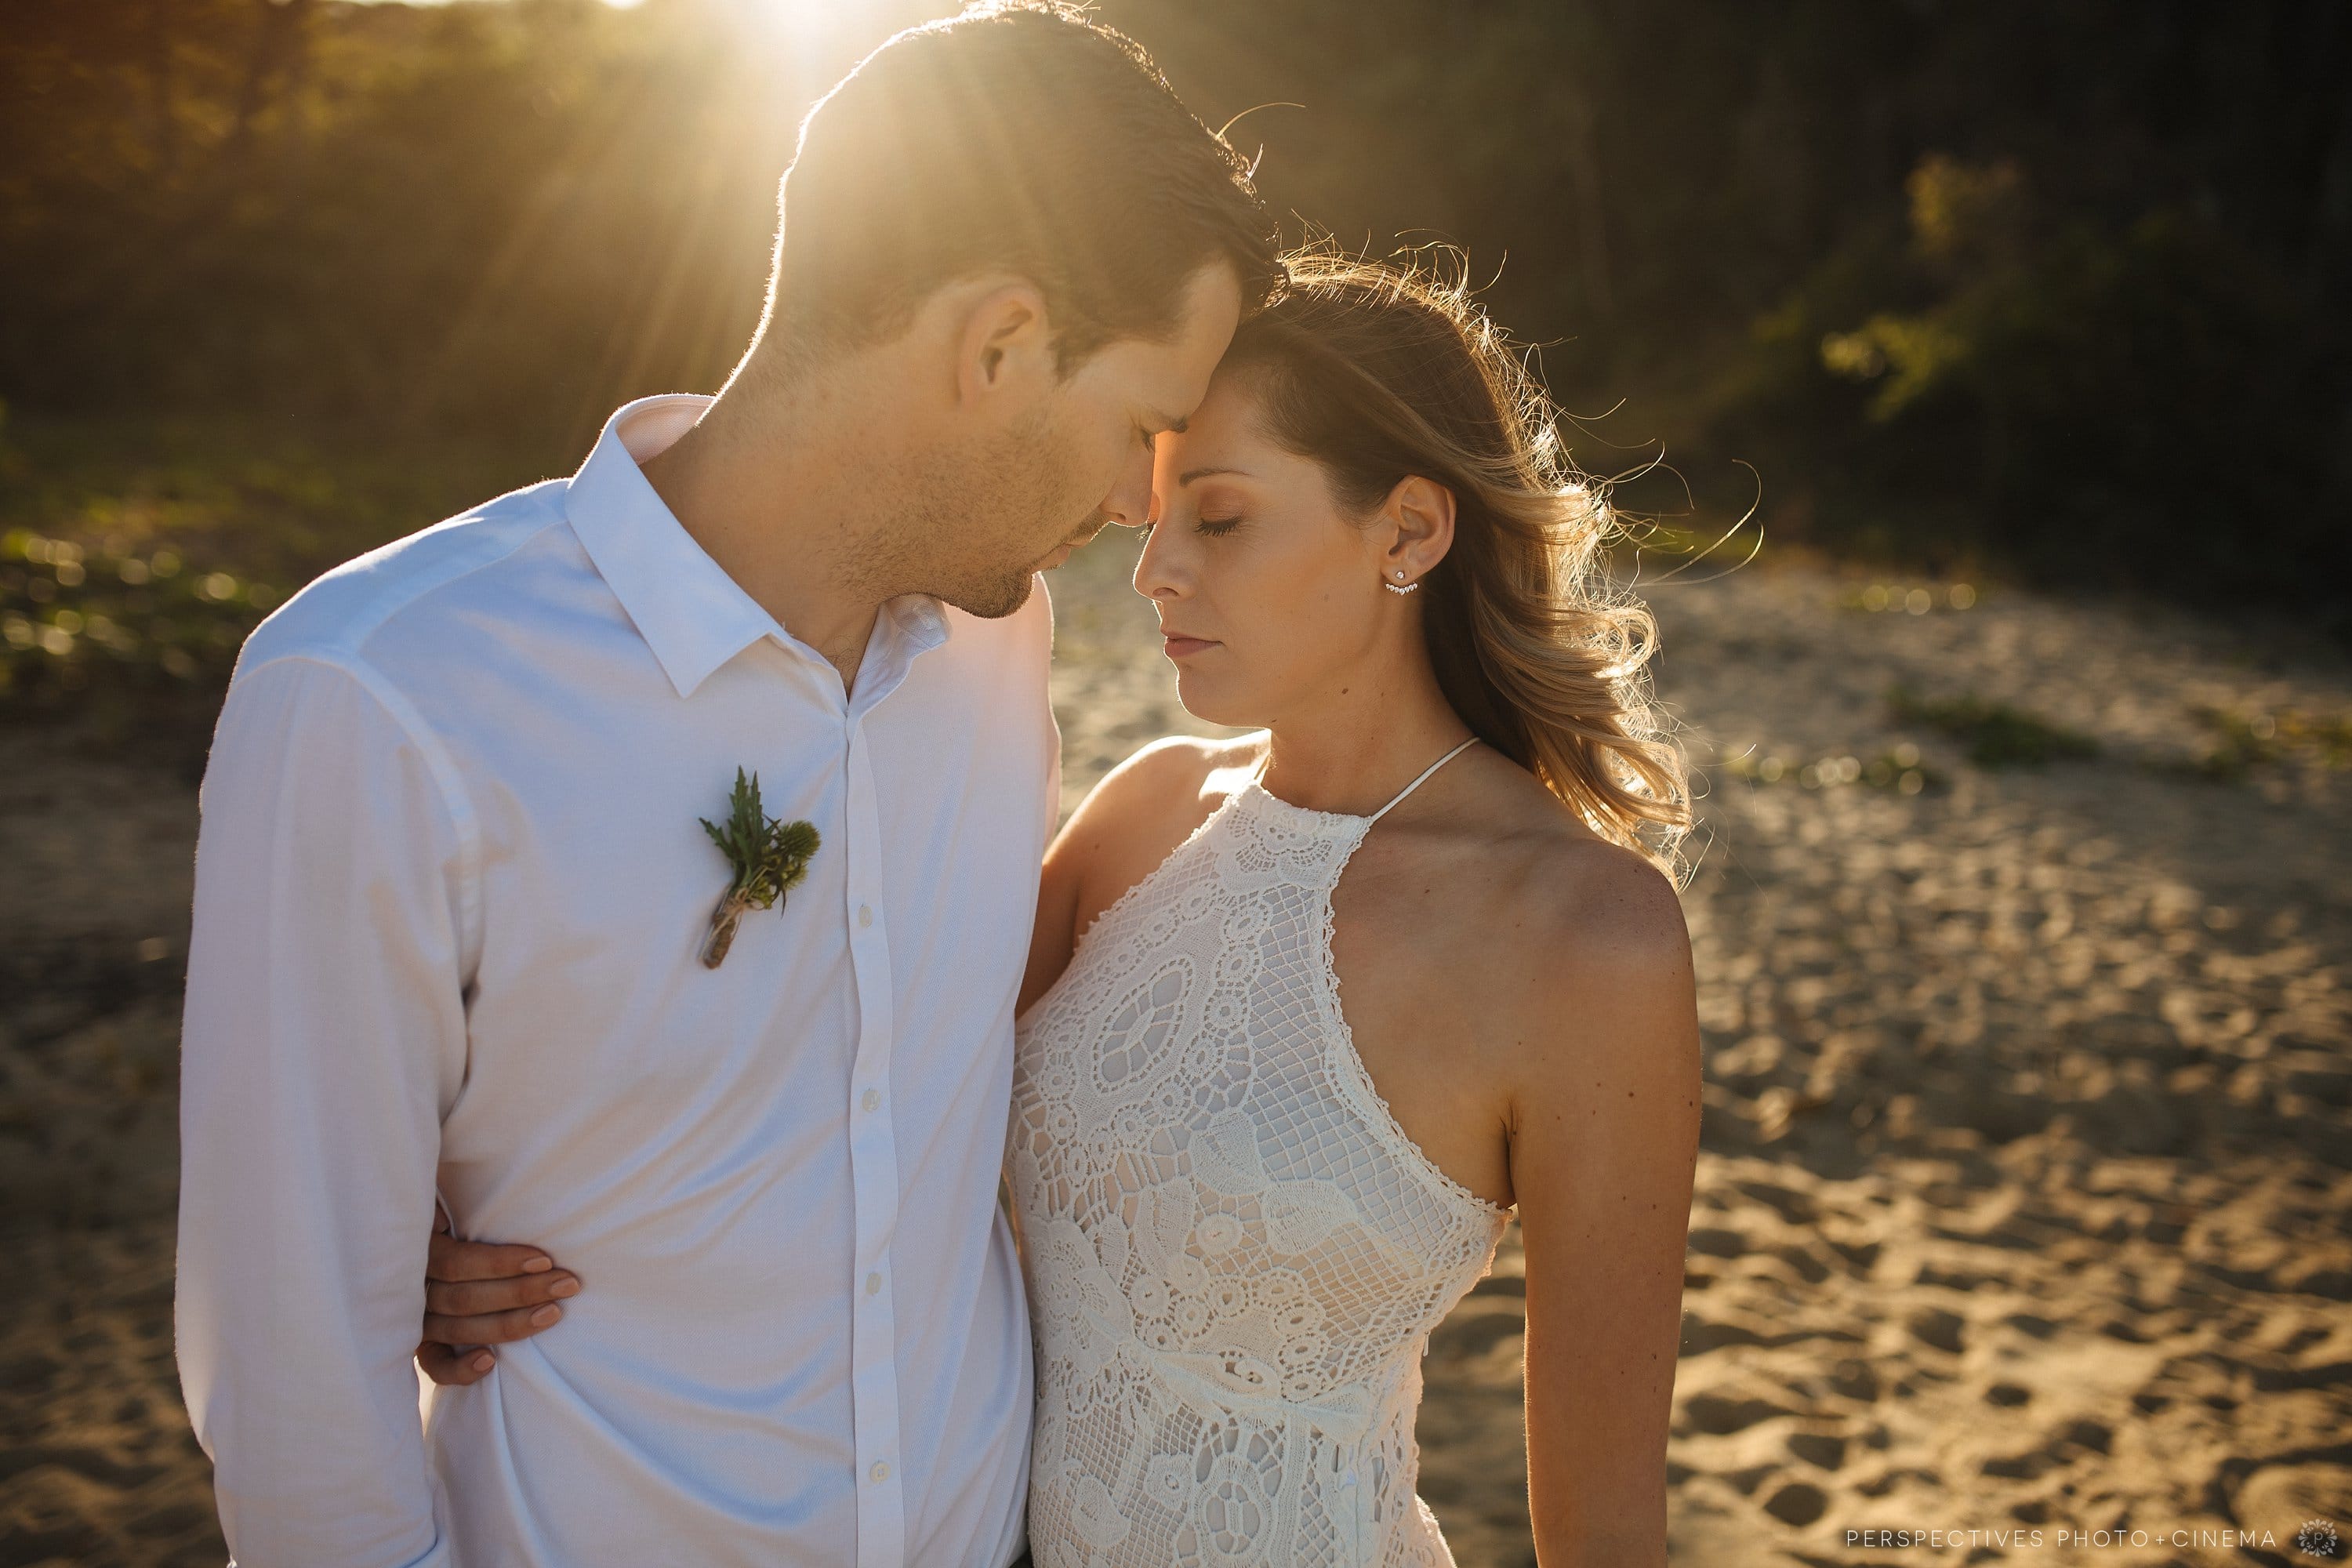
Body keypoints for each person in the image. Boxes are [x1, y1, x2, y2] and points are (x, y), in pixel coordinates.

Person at [172, 3, 1281, 1563]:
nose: (1130, 503)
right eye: (1142, 428)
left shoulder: (994, 644)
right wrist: (381, 1256)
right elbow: (297, 1374)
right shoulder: (383, 696)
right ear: (998, 345)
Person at [426, 251, 1703, 1566]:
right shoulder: (1148, 814)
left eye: (1217, 519)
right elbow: (835, 1082)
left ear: (1410, 531)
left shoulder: (1586, 940)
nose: (1152, 570)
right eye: (1154, 517)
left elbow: (1605, 1528)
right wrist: (475, 1205)